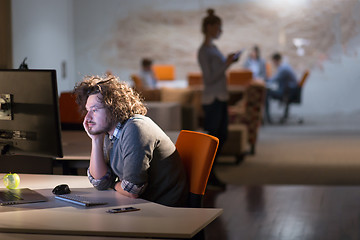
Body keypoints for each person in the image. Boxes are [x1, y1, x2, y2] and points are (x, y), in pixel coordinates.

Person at [73, 75, 188, 207]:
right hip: (146, 205)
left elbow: (132, 190)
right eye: (87, 111)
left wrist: (113, 184)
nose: (87, 118)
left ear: (113, 108)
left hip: (166, 210)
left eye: (95, 110)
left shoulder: (135, 128)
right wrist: (96, 140)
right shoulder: (112, 134)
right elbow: (100, 182)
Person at [198, 9, 240, 190]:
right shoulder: (204, 51)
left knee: (222, 136)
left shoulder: (213, 49)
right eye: (218, 27)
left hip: (220, 97)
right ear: (209, 27)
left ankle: (210, 173)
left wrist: (227, 63)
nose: (220, 31)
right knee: (214, 138)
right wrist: (227, 64)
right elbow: (209, 78)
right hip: (212, 99)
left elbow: (219, 73)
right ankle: (207, 175)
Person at [265, 52, 298, 123]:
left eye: (273, 62)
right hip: (289, 90)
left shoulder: (283, 69)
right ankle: (267, 117)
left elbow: (274, 80)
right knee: (269, 90)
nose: (273, 64)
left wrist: (264, 81)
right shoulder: (285, 66)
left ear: (276, 60)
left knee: (266, 93)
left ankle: (267, 118)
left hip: (287, 92)